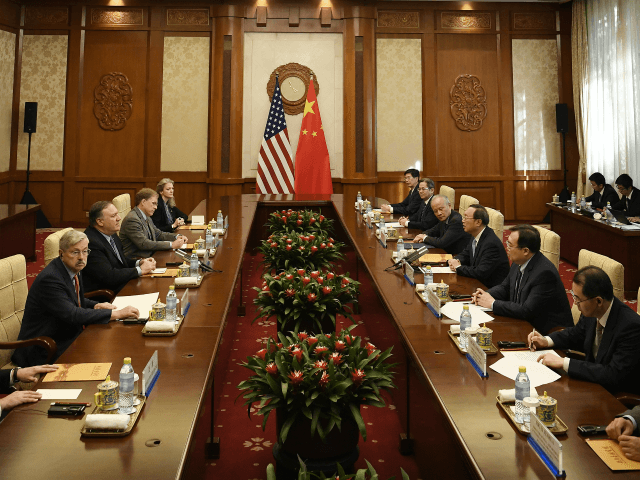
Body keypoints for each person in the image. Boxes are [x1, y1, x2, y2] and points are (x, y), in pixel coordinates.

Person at [12, 230, 140, 367]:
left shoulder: (73, 268)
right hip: (45, 347)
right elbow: (72, 314)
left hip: (66, 334)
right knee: (106, 356)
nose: (81, 257)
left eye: (85, 251)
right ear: (61, 253)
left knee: (115, 345)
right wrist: (116, 314)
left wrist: (95, 305)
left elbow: (73, 300)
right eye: (75, 252)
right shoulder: (50, 279)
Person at [530, 266, 640, 394]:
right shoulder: (592, 312)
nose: (575, 303)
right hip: (591, 386)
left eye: (578, 299)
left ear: (598, 301)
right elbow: (576, 334)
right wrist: (546, 341)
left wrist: (564, 362)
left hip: (614, 397)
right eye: (573, 296)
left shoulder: (631, 326)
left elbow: (612, 374)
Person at [473, 225, 572, 334]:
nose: (507, 248)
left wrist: (493, 303)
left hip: (545, 333)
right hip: (522, 324)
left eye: (510, 245)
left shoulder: (544, 273)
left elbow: (527, 311)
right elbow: (505, 288)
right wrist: (483, 295)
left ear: (525, 251)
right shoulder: (519, 261)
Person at [84, 201, 156, 294]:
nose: (119, 218)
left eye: (117, 214)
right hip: (108, 294)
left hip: (121, 284)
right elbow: (109, 276)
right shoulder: (91, 243)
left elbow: (120, 261)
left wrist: (139, 262)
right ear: (100, 221)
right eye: (113, 216)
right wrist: (140, 270)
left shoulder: (111, 234)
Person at [447, 204, 510, 288]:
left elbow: (480, 273)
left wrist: (458, 267)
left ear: (478, 222)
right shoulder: (475, 235)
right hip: (478, 284)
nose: (462, 220)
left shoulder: (491, 244)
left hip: (490, 289)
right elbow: (466, 254)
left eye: (466, 217)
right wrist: (455, 260)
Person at [119, 188, 188, 258]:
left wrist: (176, 237)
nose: (155, 207)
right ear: (143, 202)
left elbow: (158, 234)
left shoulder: (146, 215)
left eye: (156, 204)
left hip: (150, 255)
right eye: (153, 203)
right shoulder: (132, 219)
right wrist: (171, 244)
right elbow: (144, 243)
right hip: (137, 260)